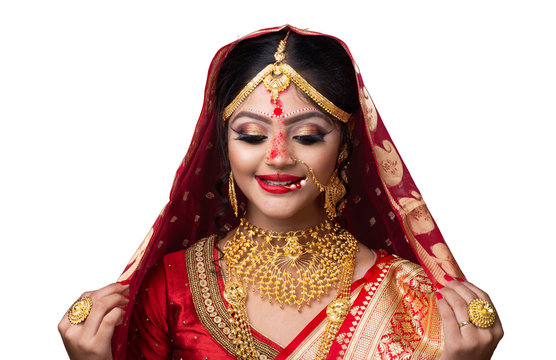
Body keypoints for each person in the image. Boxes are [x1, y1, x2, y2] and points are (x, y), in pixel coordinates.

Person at [58, 25, 503, 359]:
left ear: (346, 145)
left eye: (307, 136)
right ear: (222, 145)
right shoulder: (175, 286)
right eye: (251, 136)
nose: (277, 156)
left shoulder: (412, 297)